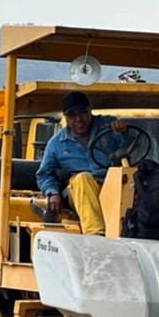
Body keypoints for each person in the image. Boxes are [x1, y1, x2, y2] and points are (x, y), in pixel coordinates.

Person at [36, 91, 129, 236]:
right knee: (83, 179)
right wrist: (52, 193)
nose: (79, 119)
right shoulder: (56, 144)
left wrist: (124, 132)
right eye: (72, 115)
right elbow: (44, 174)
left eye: (83, 113)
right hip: (78, 191)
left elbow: (134, 146)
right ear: (66, 118)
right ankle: (96, 234)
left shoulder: (109, 127)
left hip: (113, 186)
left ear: (90, 111)